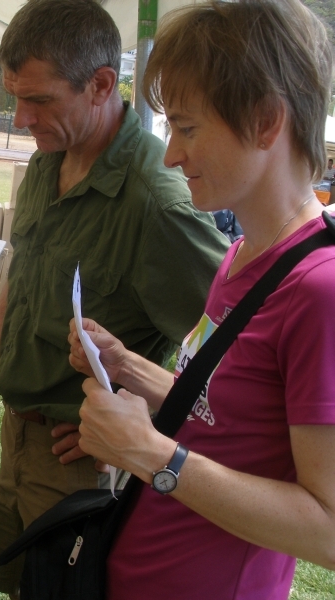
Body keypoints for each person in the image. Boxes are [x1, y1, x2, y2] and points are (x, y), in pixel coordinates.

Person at [68, 0, 335, 597]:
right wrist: (129, 368)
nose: (171, 155)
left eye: (187, 128)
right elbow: (226, 416)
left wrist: (149, 452)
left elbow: (328, 530)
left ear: (267, 121)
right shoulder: (240, 256)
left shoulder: (320, 290)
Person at [0, 0, 230, 595]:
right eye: (15, 97)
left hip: (80, 460)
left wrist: (147, 422)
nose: (21, 119)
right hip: (20, 433)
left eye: (38, 100)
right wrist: (0, 318)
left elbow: (231, 348)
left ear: (100, 84)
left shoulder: (156, 200)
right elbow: (29, 261)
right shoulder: (52, 159)